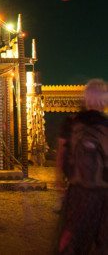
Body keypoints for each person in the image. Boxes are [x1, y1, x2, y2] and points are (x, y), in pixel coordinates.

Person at [56, 79, 108, 254]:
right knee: (100, 236)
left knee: (71, 230)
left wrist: (58, 179)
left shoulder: (73, 121)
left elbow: (62, 152)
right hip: (102, 190)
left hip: (77, 188)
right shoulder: (106, 125)